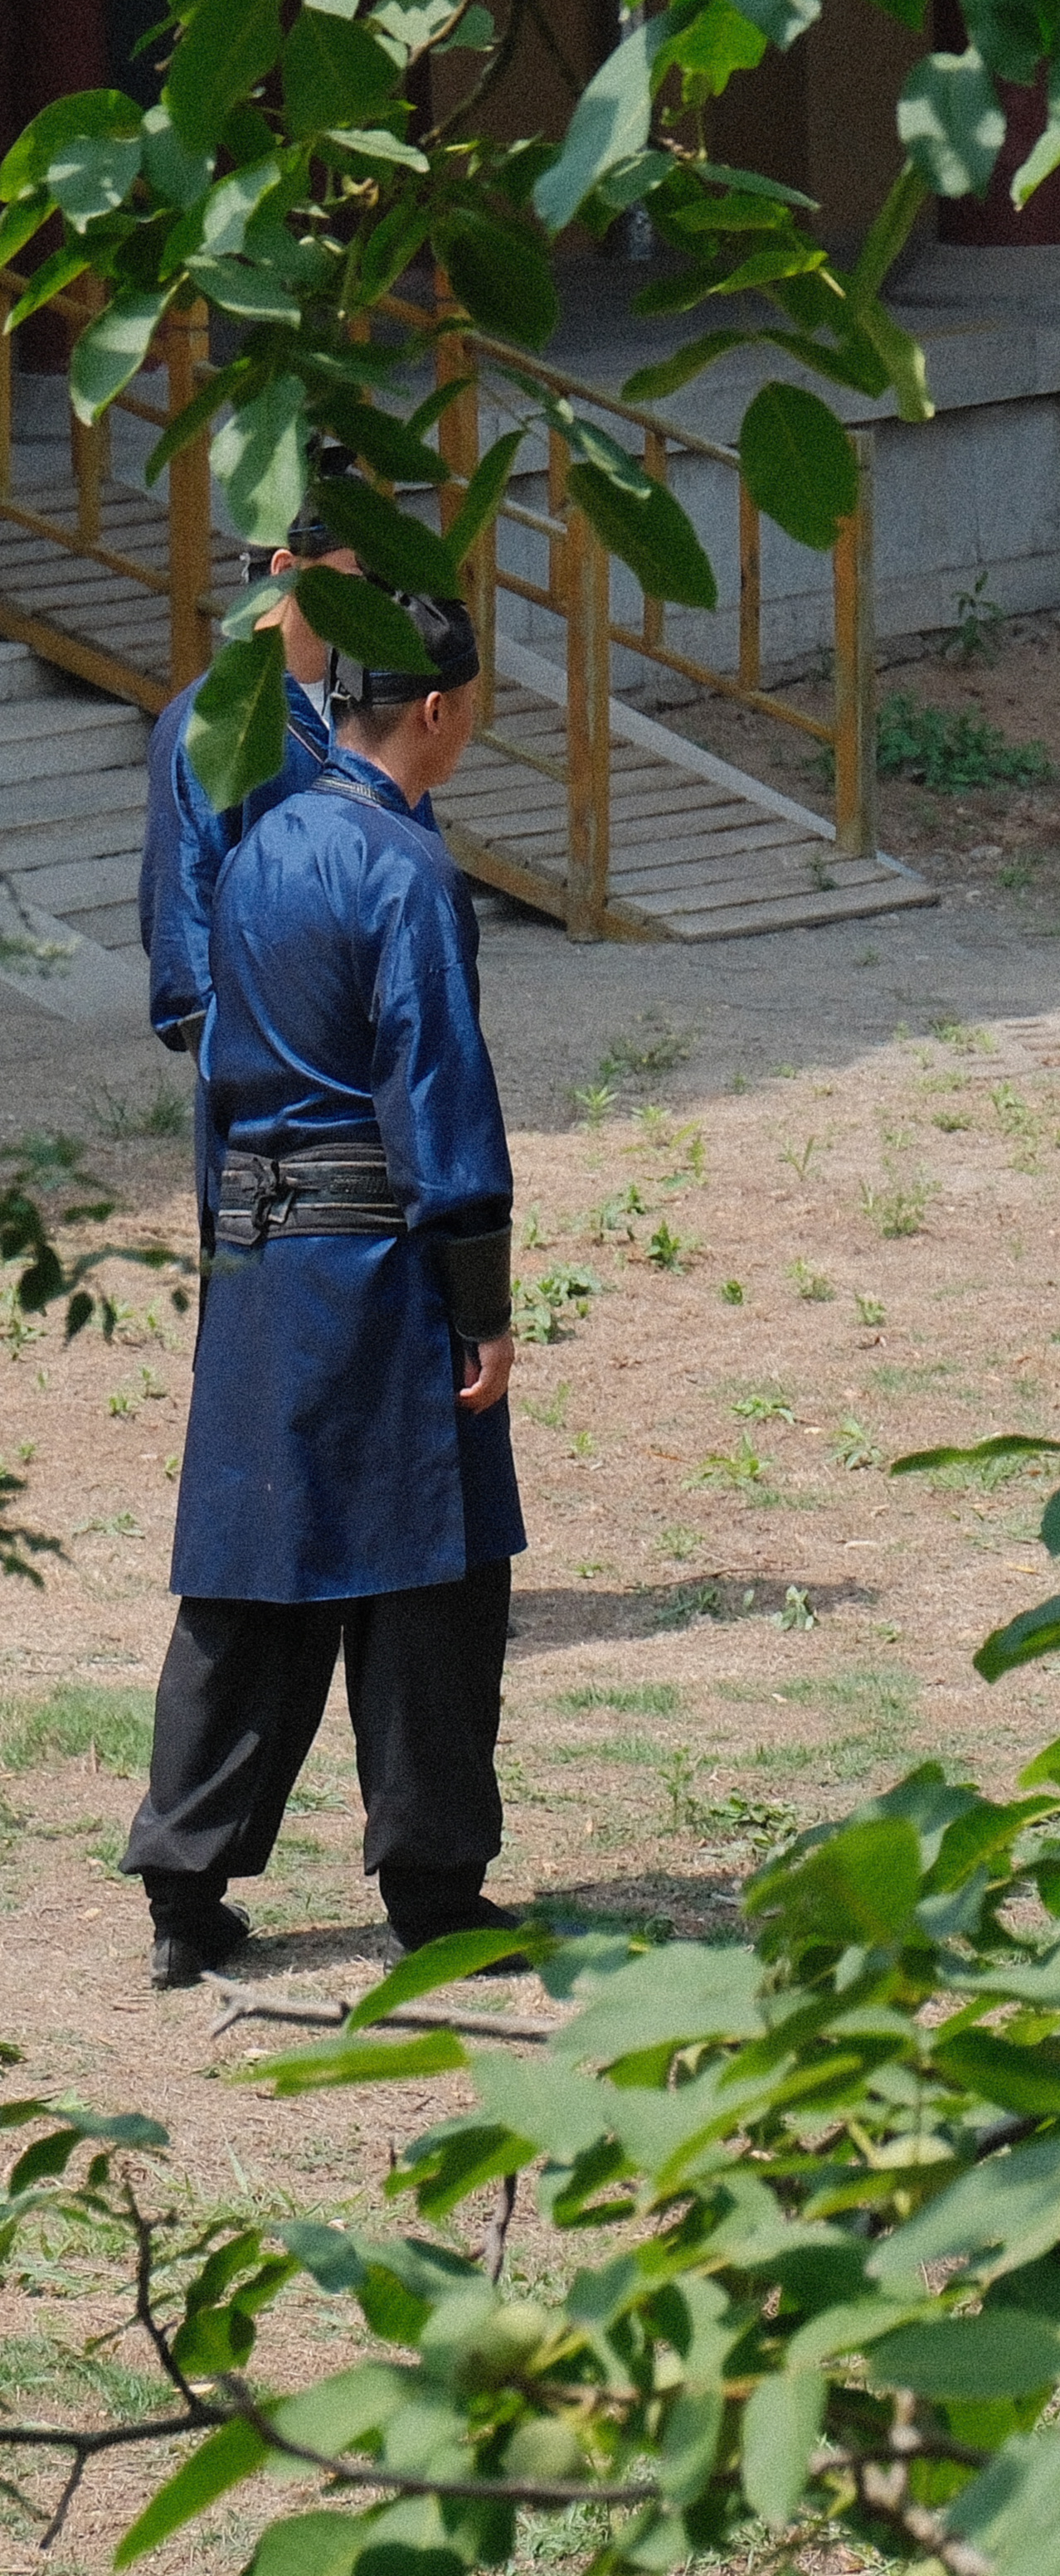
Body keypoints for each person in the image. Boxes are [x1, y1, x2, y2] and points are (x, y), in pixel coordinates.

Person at [124, 587, 526, 1991]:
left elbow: (215, 1049)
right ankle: (431, 1887)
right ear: (440, 710)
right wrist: (481, 1294)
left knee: (253, 1577)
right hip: (383, 1266)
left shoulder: (261, 847)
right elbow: (435, 1092)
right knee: (435, 1576)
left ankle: (185, 1891)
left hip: (260, 1255)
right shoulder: (405, 871)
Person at [139, 448, 360, 1237]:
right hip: (266, 1082)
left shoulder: (369, 711)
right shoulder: (210, 722)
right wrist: (240, 1077)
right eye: (352, 577)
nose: (370, 601)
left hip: (371, 1058)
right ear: (283, 569)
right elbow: (183, 924)